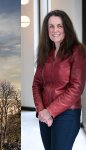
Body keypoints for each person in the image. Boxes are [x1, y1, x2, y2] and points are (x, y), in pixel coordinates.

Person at [32, 10, 86, 150]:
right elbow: (36, 84)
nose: (55, 30)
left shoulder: (77, 50)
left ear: (66, 27)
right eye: (51, 26)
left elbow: (76, 87)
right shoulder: (45, 51)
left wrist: (50, 111)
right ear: (46, 29)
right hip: (44, 114)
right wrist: (41, 110)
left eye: (59, 26)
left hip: (67, 113)